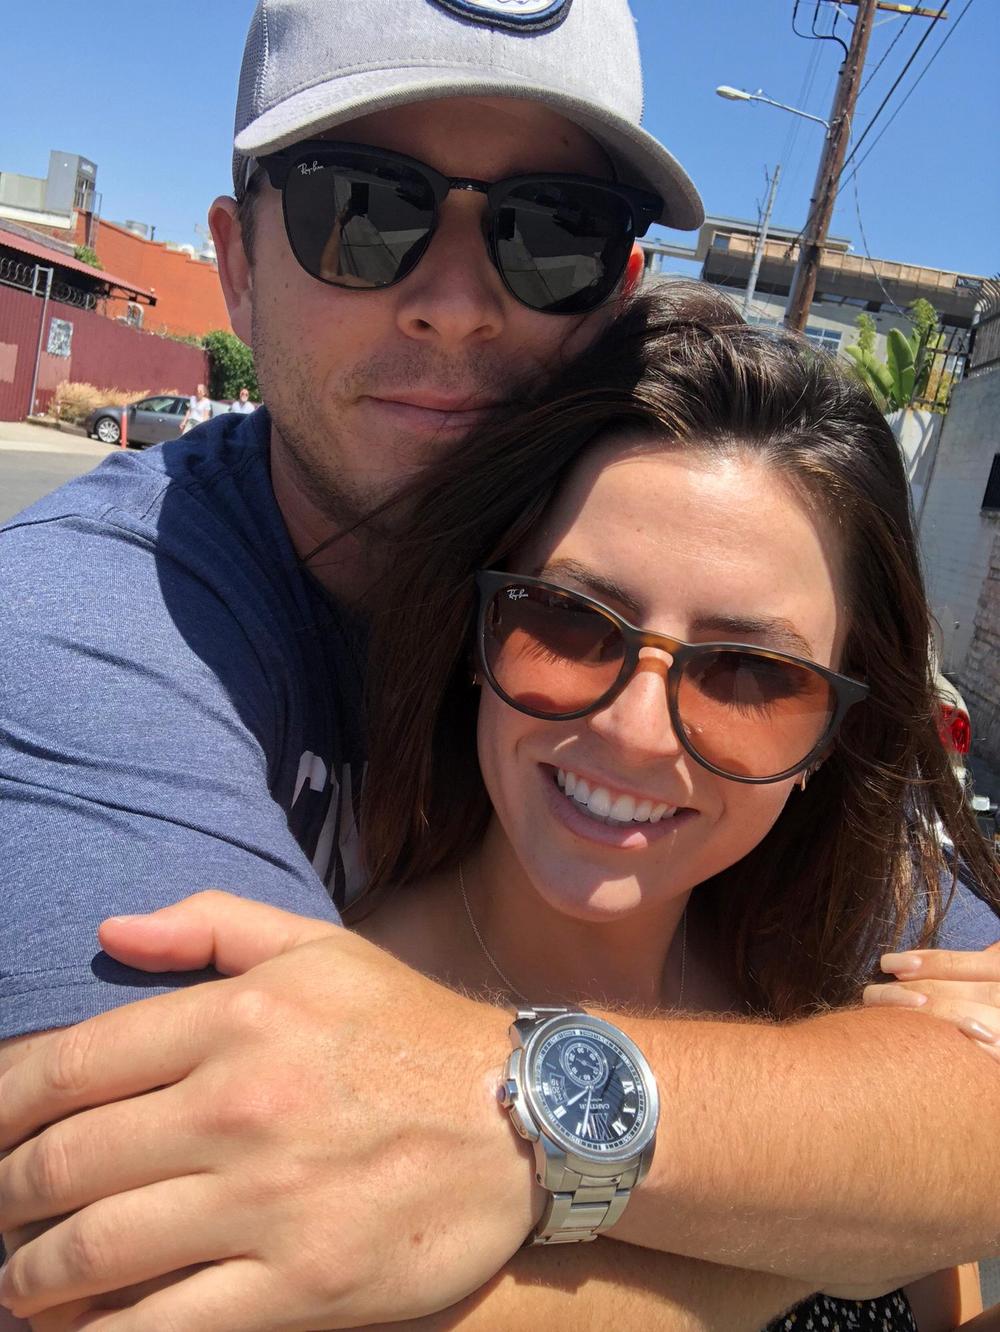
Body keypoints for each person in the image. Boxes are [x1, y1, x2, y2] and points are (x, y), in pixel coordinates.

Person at [1, 0, 999, 1328]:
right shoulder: (83, 626)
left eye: (551, 232)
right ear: (235, 265)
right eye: (363, 210)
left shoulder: (753, 804)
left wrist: (498, 1128)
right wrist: (828, 1213)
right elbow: (185, 1275)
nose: (459, 308)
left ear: (619, 295)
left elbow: (976, 1096)